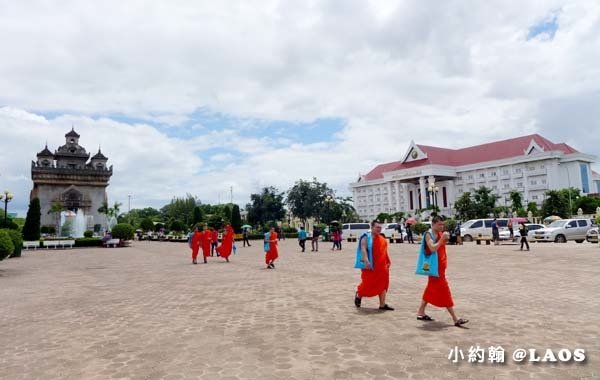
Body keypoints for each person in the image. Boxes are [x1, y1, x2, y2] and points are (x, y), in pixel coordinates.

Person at [417, 216, 468, 327]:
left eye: (442, 224)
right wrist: (442, 239)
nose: (442, 226)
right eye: (440, 224)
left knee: (430, 288)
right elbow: (433, 248)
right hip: (434, 269)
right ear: (433, 224)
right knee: (444, 290)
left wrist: (445, 238)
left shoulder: (440, 234)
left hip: (440, 268)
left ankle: (420, 312)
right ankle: (455, 318)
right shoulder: (428, 234)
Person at [354, 220, 394, 311]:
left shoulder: (383, 239)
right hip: (370, 266)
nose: (379, 229)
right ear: (372, 227)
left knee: (383, 284)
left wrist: (388, 261)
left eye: (380, 227)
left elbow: (384, 252)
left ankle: (382, 305)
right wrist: (366, 260)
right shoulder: (365, 237)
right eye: (377, 227)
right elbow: (363, 249)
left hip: (382, 266)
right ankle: (359, 294)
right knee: (367, 284)